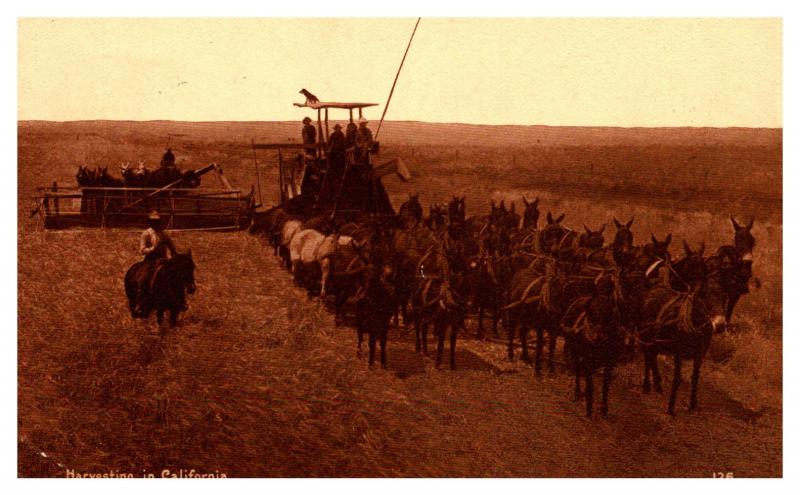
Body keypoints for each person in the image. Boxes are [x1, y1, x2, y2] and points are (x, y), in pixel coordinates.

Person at [134, 211, 179, 316]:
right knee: (144, 278)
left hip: (163, 260)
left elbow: (172, 248)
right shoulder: (146, 233)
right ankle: (140, 303)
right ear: (150, 222)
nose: (156, 223)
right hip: (150, 260)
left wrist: (175, 257)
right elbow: (142, 249)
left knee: (177, 278)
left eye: (157, 221)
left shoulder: (164, 234)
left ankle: (179, 302)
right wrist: (152, 249)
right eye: (153, 221)